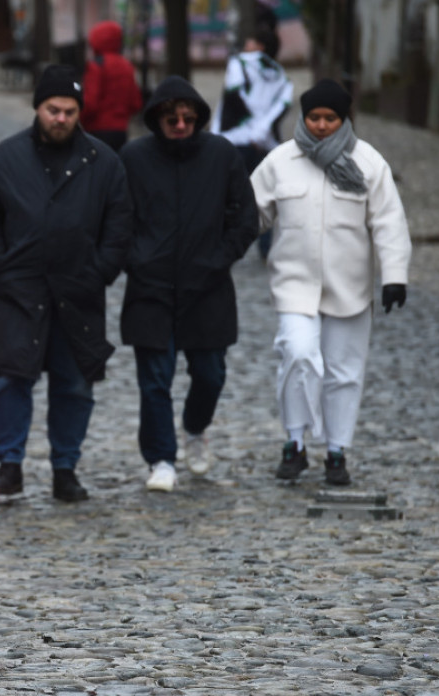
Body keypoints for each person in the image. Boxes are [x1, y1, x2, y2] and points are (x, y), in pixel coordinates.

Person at [0, 64, 132, 502]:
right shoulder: (5, 159)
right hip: (16, 291)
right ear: (38, 108)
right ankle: (9, 464)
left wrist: (100, 271)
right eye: (53, 109)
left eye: (69, 111)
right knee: (10, 379)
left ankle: (66, 467)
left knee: (75, 384)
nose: (61, 118)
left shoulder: (103, 162)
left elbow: (119, 225)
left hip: (78, 292)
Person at [250, 79, 411, 485]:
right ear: (303, 118)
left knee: (344, 370)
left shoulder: (369, 163)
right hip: (294, 283)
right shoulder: (280, 162)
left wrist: (394, 276)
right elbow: (251, 212)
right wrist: (219, 244)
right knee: (298, 354)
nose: (321, 125)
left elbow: (389, 222)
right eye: (314, 117)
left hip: (349, 286)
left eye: (330, 118)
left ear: (345, 119)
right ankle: (295, 440)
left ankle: (337, 450)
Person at [119, 75, 258, 492]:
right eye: (172, 118)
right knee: (154, 380)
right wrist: (136, 259)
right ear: (157, 119)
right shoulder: (134, 157)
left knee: (211, 374)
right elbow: (117, 218)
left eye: (188, 118)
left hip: (207, 286)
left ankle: (195, 428)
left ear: (198, 118)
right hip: (151, 287)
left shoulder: (222, 155)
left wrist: (218, 259)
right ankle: (161, 457)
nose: (180, 125)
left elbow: (245, 217)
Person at [211, 27, 292, 258]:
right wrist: (261, 133)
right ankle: (265, 247)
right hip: (264, 144)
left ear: (260, 45)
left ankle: (219, 244)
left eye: (251, 40)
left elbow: (235, 96)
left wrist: (250, 129)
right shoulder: (282, 76)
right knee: (263, 195)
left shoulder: (239, 64)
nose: (246, 45)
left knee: (224, 193)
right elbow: (281, 106)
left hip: (234, 139)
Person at [80, 20, 142, 153]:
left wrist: (81, 119)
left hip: (96, 129)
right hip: (120, 131)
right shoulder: (127, 66)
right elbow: (135, 103)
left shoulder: (96, 66)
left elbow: (90, 103)